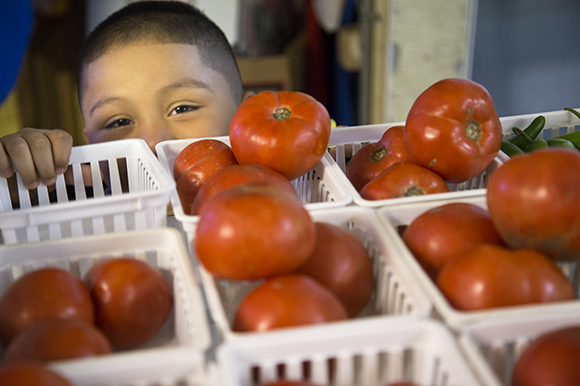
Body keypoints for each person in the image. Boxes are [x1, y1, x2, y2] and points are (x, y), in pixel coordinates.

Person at [0, 1, 253, 191]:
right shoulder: (82, 208)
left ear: (248, 117)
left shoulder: (282, 188)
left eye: (182, 108)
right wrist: (21, 172)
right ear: (91, 147)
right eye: (119, 123)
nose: (152, 142)